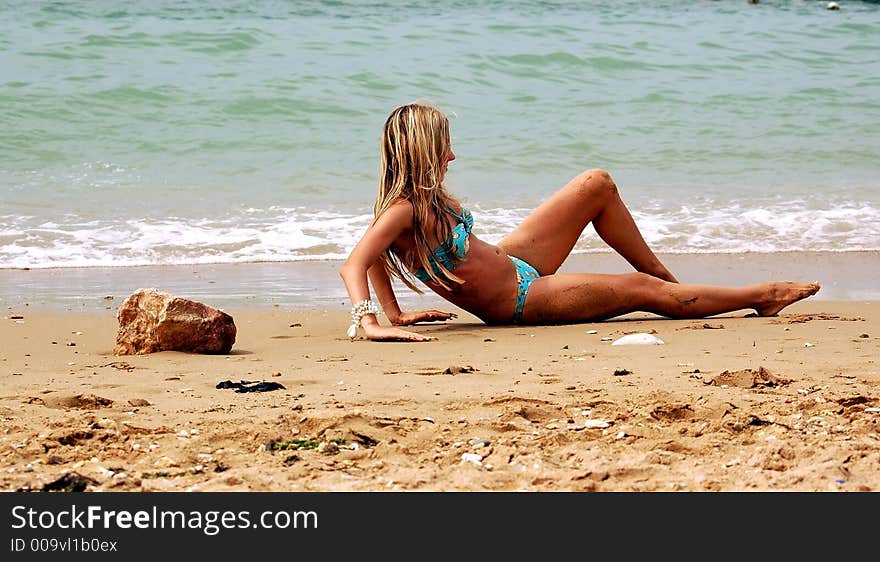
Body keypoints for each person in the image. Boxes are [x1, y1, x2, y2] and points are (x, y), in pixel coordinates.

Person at [339, 101, 820, 342]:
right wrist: (374, 323)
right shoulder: (402, 209)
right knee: (638, 290)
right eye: (444, 146)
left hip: (516, 262)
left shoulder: (423, 200)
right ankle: (762, 297)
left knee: (596, 183)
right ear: (423, 151)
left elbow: (377, 256)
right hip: (521, 300)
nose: (452, 155)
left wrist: (398, 310)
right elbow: (357, 261)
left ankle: (672, 287)